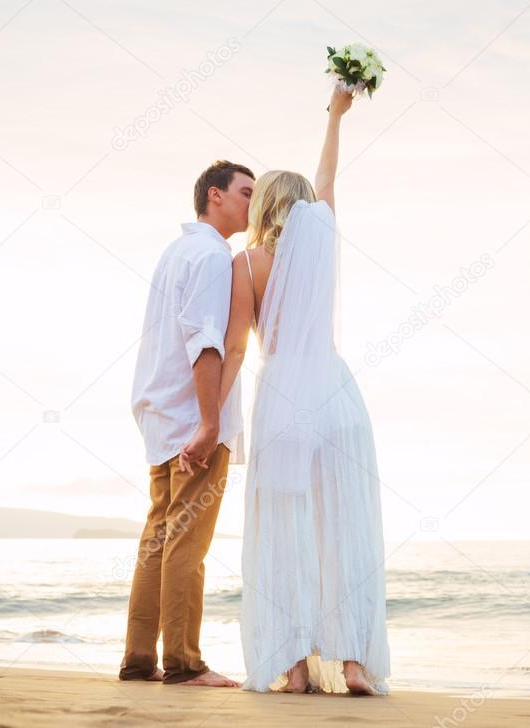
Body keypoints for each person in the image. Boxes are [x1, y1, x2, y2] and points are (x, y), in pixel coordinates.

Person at [190, 84, 390, 695]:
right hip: (336, 395)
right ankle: (353, 661)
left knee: (284, 530)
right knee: (344, 528)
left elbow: (237, 347)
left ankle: (294, 666)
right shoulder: (323, 236)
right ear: (303, 205)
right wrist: (335, 115)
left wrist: (210, 421)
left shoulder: (246, 265)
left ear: (264, 205)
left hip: (282, 401)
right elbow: (328, 175)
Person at [121, 160, 254, 686]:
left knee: (158, 538)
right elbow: (205, 342)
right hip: (191, 418)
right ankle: (183, 663)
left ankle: (138, 659)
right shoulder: (212, 257)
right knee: (187, 544)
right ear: (214, 196)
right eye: (245, 191)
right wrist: (209, 422)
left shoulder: (176, 252)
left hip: (158, 413)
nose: (252, 200)